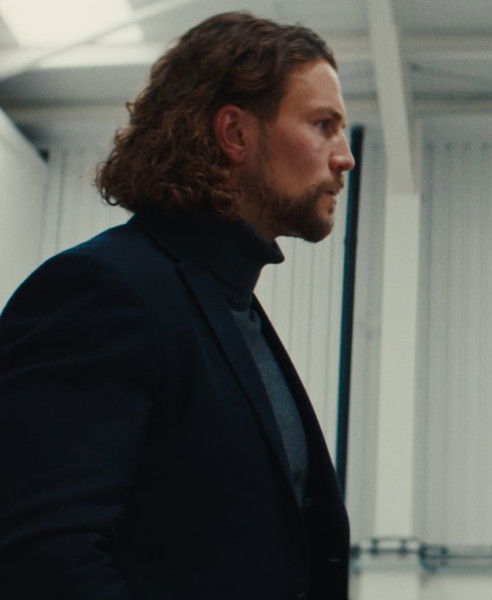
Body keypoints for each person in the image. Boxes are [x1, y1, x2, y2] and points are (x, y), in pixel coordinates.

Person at [0, 10, 355, 600]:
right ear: (235, 134)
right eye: (323, 125)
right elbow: (44, 553)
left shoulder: (229, 309)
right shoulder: (103, 290)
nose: (344, 157)